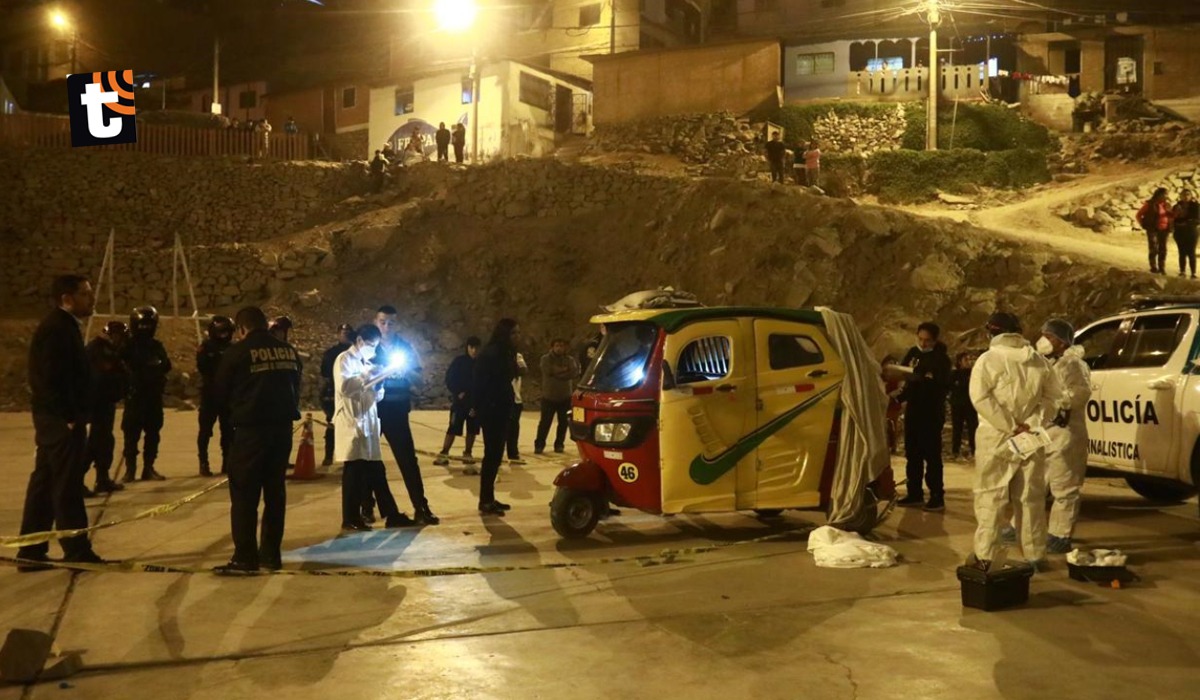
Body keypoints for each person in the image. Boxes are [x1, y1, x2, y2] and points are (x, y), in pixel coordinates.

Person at [16, 275, 109, 571]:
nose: (91, 299)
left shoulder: (63, 327)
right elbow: (47, 379)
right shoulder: (57, 329)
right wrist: (68, 417)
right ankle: (76, 549)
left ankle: (32, 549)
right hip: (60, 421)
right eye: (85, 294)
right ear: (67, 299)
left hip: (54, 419)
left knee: (44, 482)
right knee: (66, 484)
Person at [210, 307, 301, 574]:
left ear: (241, 329)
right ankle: (271, 555)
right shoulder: (289, 351)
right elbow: (297, 387)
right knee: (275, 493)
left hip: (251, 432)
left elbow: (220, 394)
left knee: (244, 496)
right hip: (282, 432)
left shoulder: (236, 353)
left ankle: (245, 558)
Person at [969, 312, 1061, 571]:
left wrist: (1009, 425)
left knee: (990, 496)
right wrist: (1030, 424)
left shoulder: (988, 360)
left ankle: (985, 555)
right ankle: (1035, 555)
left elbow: (981, 398)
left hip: (995, 438)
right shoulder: (1039, 362)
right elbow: (1053, 398)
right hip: (1029, 438)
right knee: (1030, 498)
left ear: (993, 332)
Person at [333, 323, 410, 532]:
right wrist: (370, 375)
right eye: (370, 345)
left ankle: (391, 514)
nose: (373, 350)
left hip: (368, 423)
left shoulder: (365, 361)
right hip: (353, 423)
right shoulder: (344, 360)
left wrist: (380, 382)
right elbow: (346, 387)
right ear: (359, 341)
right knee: (354, 472)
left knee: (376, 470)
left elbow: (374, 395)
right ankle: (350, 517)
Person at [371, 305, 437, 525]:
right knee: (367, 460)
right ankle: (366, 507)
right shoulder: (369, 347)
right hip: (374, 411)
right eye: (382, 322)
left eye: (391, 322)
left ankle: (421, 507)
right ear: (375, 322)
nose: (387, 327)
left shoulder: (405, 348)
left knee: (408, 460)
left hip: (398, 412)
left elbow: (420, 381)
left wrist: (407, 370)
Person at [1036, 319, 1091, 555]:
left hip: (1065, 434)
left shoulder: (1073, 365)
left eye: (1049, 336)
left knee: (1064, 487)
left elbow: (1079, 395)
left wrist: (1050, 399)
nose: (1044, 340)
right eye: (1043, 335)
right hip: (1046, 433)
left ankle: (1060, 535)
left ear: (1062, 341)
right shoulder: (1049, 363)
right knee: (1036, 485)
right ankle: (1026, 527)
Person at [896, 322, 952, 512]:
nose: (923, 343)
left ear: (935, 340)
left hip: (931, 412)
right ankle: (914, 493)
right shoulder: (913, 353)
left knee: (932, 455)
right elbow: (905, 375)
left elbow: (943, 385)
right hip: (914, 411)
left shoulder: (941, 359)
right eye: (920, 339)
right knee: (913, 454)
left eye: (927, 340)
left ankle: (937, 495)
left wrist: (923, 379)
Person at [473, 318, 521, 515]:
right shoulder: (491, 354)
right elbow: (480, 384)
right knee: (491, 455)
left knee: (495, 455)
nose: (518, 336)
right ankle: (485, 500)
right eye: (514, 333)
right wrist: (483, 408)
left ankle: (489, 497)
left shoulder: (507, 353)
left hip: (502, 409)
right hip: (492, 411)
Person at [122, 306, 170, 482]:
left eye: (148, 325)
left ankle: (148, 468)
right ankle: (130, 470)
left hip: (153, 397)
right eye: (142, 325)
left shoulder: (156, 346)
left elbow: (165, 365)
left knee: (152, 434)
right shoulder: (127, 346)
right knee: (131, 436)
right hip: (134, 397)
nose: (145, 329)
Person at [84, 320, 128, 495]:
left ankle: (103, 479)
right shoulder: (97, 350)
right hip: (95, 405)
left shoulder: (111, 351)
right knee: (93, 444)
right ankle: (76, 481)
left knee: (105, 443)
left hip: (106, 404)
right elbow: (98, 378)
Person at [433, 337, 481, 468]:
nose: (474, 351)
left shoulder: (481, 364)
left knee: (472, 430)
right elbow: (450, 379)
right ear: (468, 348)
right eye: (472, 347)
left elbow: (484, 384)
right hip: (459, 403)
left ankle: (467, 453)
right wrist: (458, 391)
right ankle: (444, 453)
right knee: (453, 428)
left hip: (474, 404)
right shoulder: (459, 362)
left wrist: (478, 403)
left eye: (477, 348)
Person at [197, 315, 235, 477]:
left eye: (226, 332)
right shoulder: (206, 347)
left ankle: (227, 462)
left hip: (228, 396)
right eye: (221, 332)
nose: (224, 335)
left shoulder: (233, 348)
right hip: (210, 395)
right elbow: (203, 367)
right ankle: (203, 462)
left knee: (228, 431)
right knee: (205, 430)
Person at [536, 338, 580, 455]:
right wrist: (564, 371)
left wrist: (558, 372)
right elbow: (548, 371)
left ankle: (559, 445)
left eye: (562, 346)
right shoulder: (545, 359)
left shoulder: (569, 359)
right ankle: (539, 445)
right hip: (549, 396)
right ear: (552, 347)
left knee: (563, 423)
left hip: (565, 397)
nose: (559, 348)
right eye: (557, 346)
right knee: (545, 423)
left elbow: (574, 372)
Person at [320, 324, 355, 467]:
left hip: (353, 393)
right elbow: (325, 373)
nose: (345, 334)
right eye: (342, 332)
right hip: (334, 392)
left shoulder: (356, 352)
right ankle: (329, 455)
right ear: (338, 334)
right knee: (332, 424)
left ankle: (349, 457)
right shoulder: (331, 353)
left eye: (347, 332)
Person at [949, 352, 978, 461]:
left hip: (971, 405)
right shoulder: (954, 374)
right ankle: (955, 451)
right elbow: (950, 387)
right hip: (957, 405)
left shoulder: (975, 373)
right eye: (966, 359)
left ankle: (974, 450)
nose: (969, 361)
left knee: (973, 428)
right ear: (959, 362)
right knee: (957, 429)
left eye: (970, 359)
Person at [1137, 187, 1173, 274]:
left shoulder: (1167, 205)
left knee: (1163, 249)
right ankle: (1153, 266)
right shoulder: (1150, 204)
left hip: (1164, 229)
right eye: (1164, 194)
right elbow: (1139, 214)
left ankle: (1162, 267)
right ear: (1159, 195)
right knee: (1153, 247)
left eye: (1166, 194)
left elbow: (1171, 216)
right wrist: (1143, 224)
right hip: (1153, 229)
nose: (1166, 196)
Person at [506, 351, 528, 465]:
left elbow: (523, 370)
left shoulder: (517, 355)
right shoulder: (494, 354)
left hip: (515, 399)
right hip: (499, 399)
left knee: (513, 428)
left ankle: (513, 453)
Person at [1173, 188, 1199, 279]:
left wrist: (1187, 222)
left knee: (1191, 252)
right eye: (1184, 195)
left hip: (1191, 231)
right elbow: (1173, 219)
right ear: (1180, 196)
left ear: (1191, 196)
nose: (1186, 196)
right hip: (1180, 232)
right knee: (1182, 252)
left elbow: (1197, 219)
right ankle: (1182, 271)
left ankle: (1193, 272)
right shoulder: (1177, 206)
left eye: (1188, 194)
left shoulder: (1195, 206)